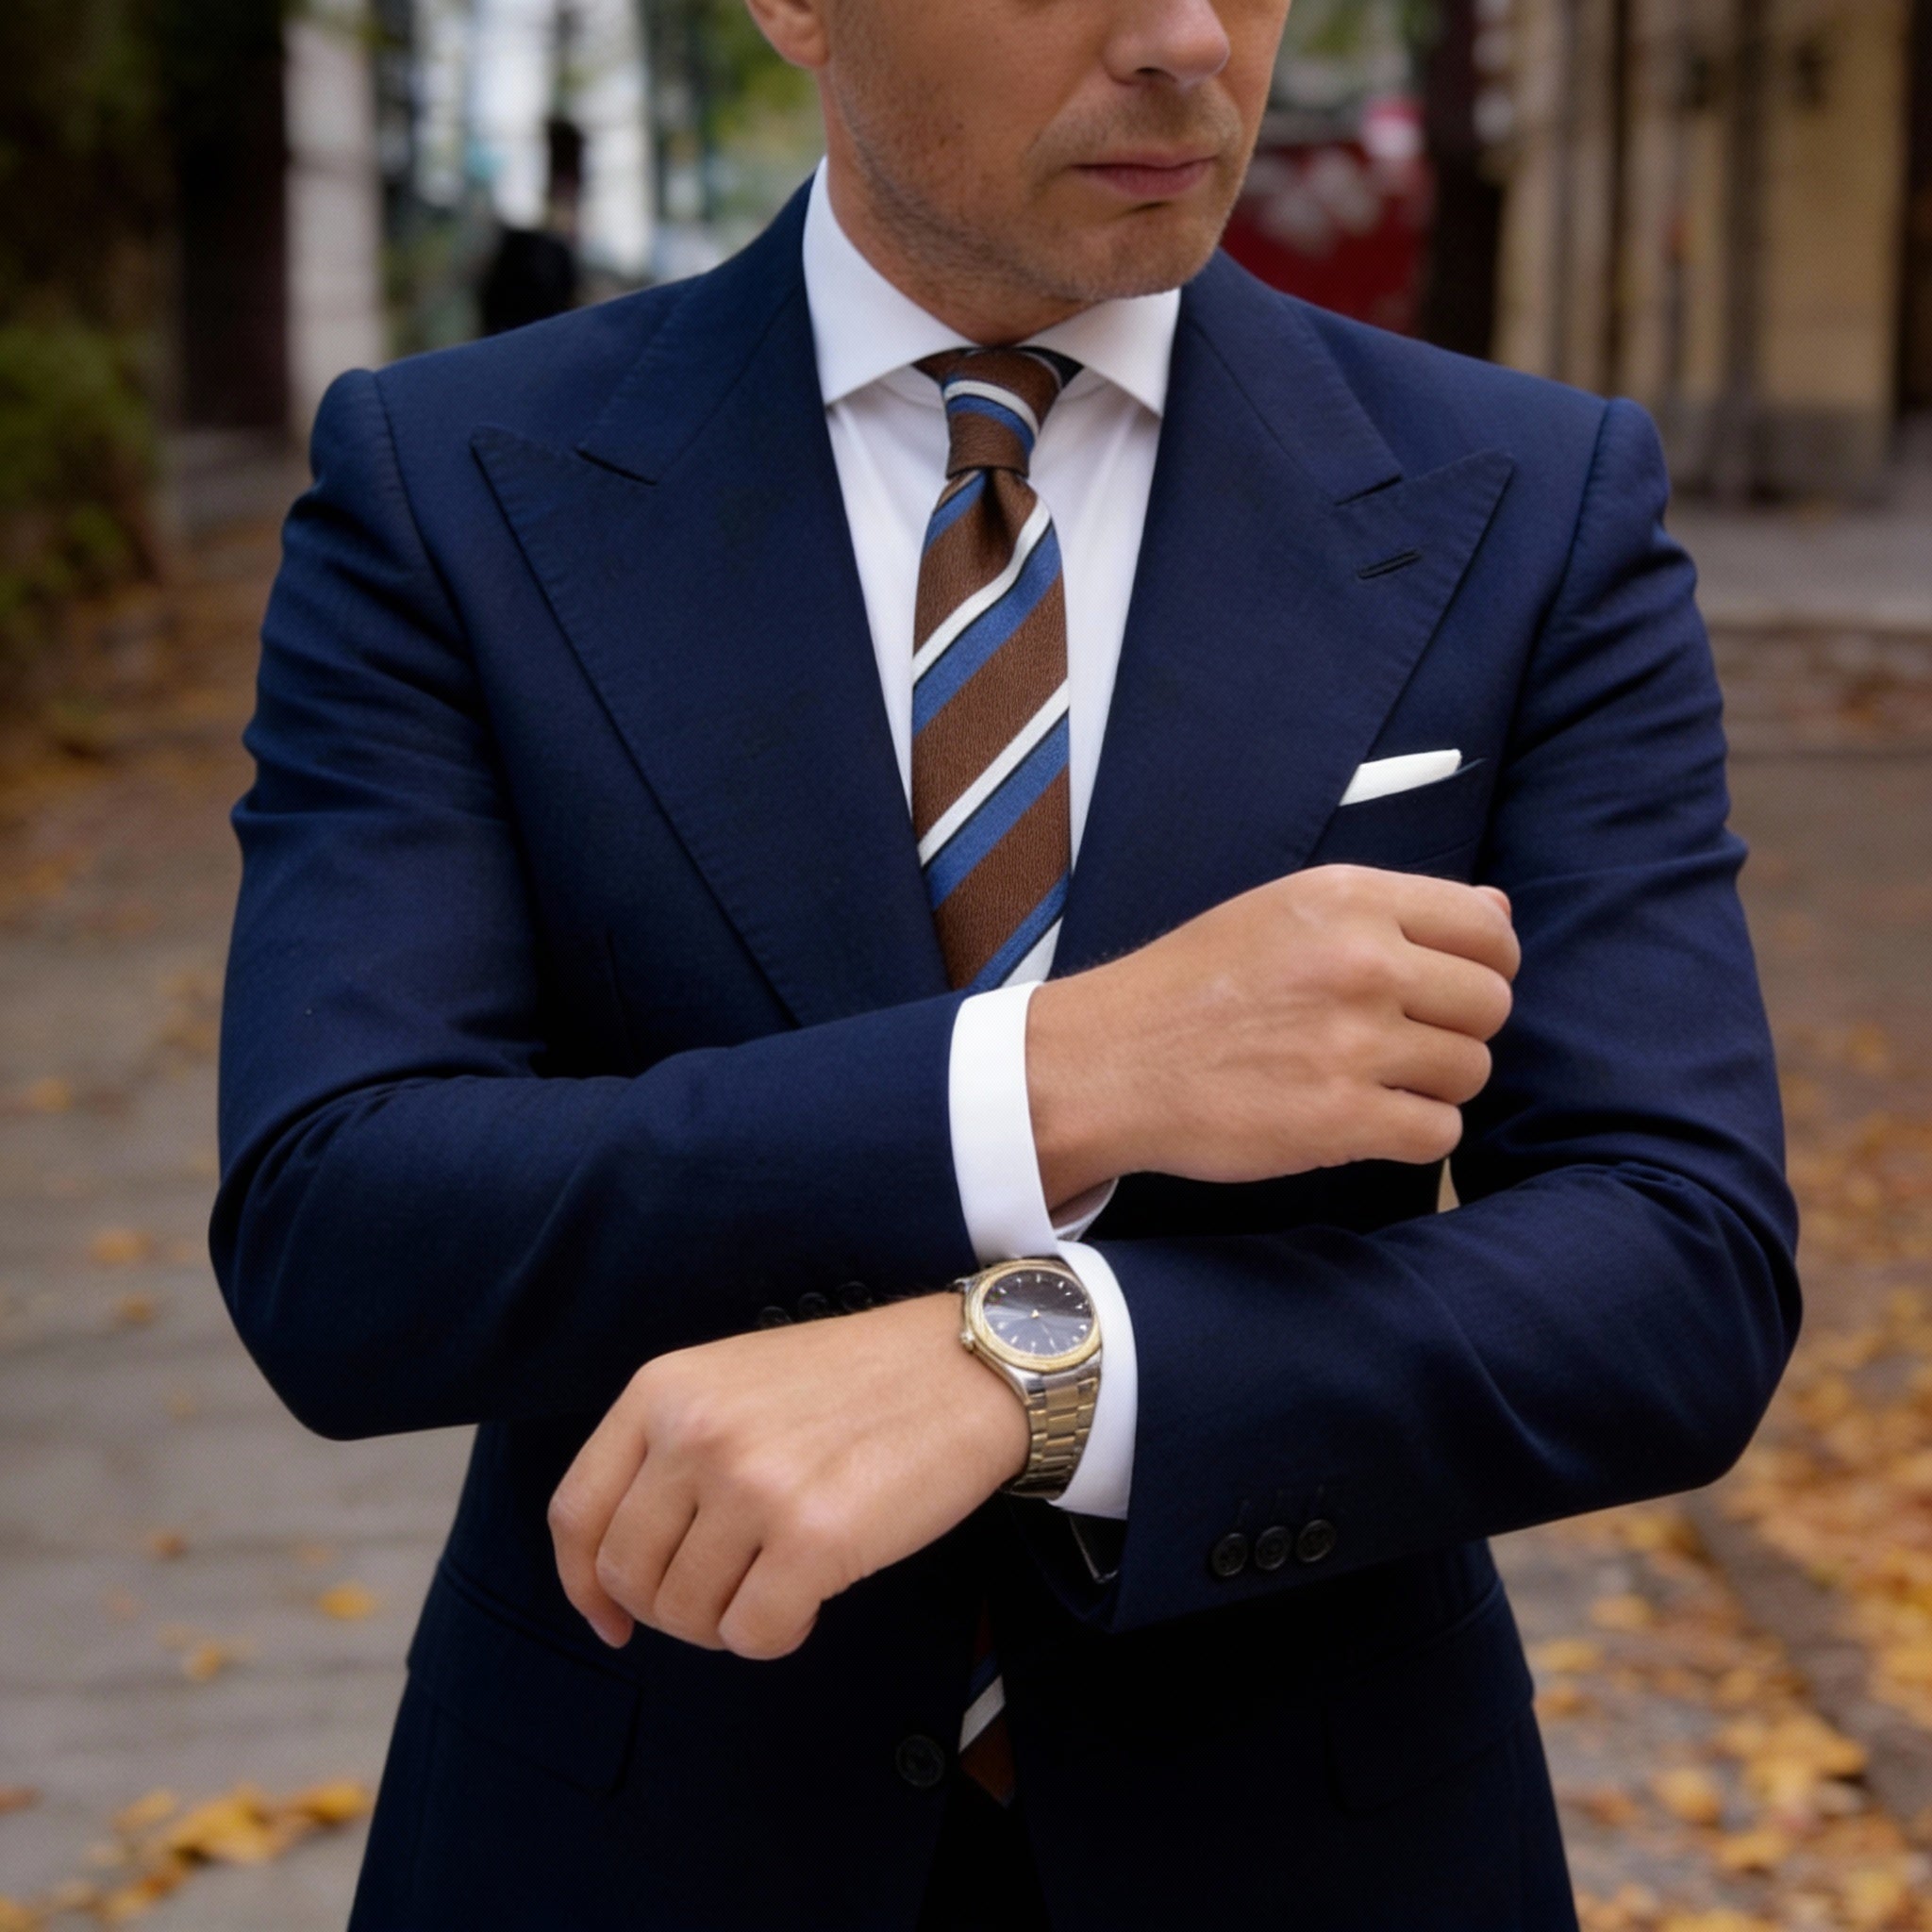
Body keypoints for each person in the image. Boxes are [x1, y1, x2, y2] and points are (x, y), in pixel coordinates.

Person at [210, 1, 1798, 1926]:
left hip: (1317, 1846)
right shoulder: (450, 481)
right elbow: (341, 1234)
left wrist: (1034, 1369)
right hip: (635, 1838)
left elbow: (1678, 1263)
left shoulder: (1530, 496)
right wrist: (1054, 1079)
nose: (1186, 34)